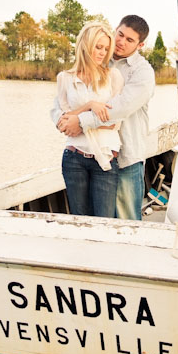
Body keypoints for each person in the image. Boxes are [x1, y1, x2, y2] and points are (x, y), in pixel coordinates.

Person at [57, 15, 154, 221]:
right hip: (88, 151)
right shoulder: (96, 57)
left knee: (127, 220)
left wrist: (80, 122)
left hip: (126, 156)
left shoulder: (142, 72)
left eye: (130, 40)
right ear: (115, 29)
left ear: (140, 45)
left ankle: (129, 253)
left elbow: (120, 108)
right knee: (90, 218)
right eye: (120, 34)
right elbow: (61, 102)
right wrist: (63, 120)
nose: (121, 41)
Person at [51, 22, 124, 218]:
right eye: (98, 47)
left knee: (104, 221)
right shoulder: (65, 78)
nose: (102, 53)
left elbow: (114, 121)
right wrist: (90, 105)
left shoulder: (113, 76)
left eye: (106, 49)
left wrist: (78, 120)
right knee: (79, 220)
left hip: (105, 158)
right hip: (74, 158)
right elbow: (63, 121)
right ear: (85, 45)